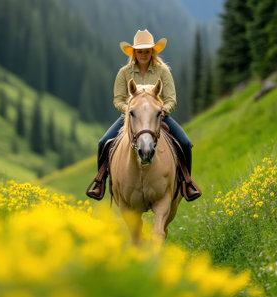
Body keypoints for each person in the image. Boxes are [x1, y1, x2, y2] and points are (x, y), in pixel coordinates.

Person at [86, 29, 201, 201]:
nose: (143, 55)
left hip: (158, 116)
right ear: (134, 53)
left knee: (184, 142)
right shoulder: (124, 73)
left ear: (152, 52)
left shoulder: (163, 72)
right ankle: (100, 181)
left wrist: (163, 110)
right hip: (130, 117)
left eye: (147, 51)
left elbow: (171, 99)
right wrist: (131, 110)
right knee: (103, 143)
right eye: (140, 51)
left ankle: (186, 182)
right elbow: (117, 100)